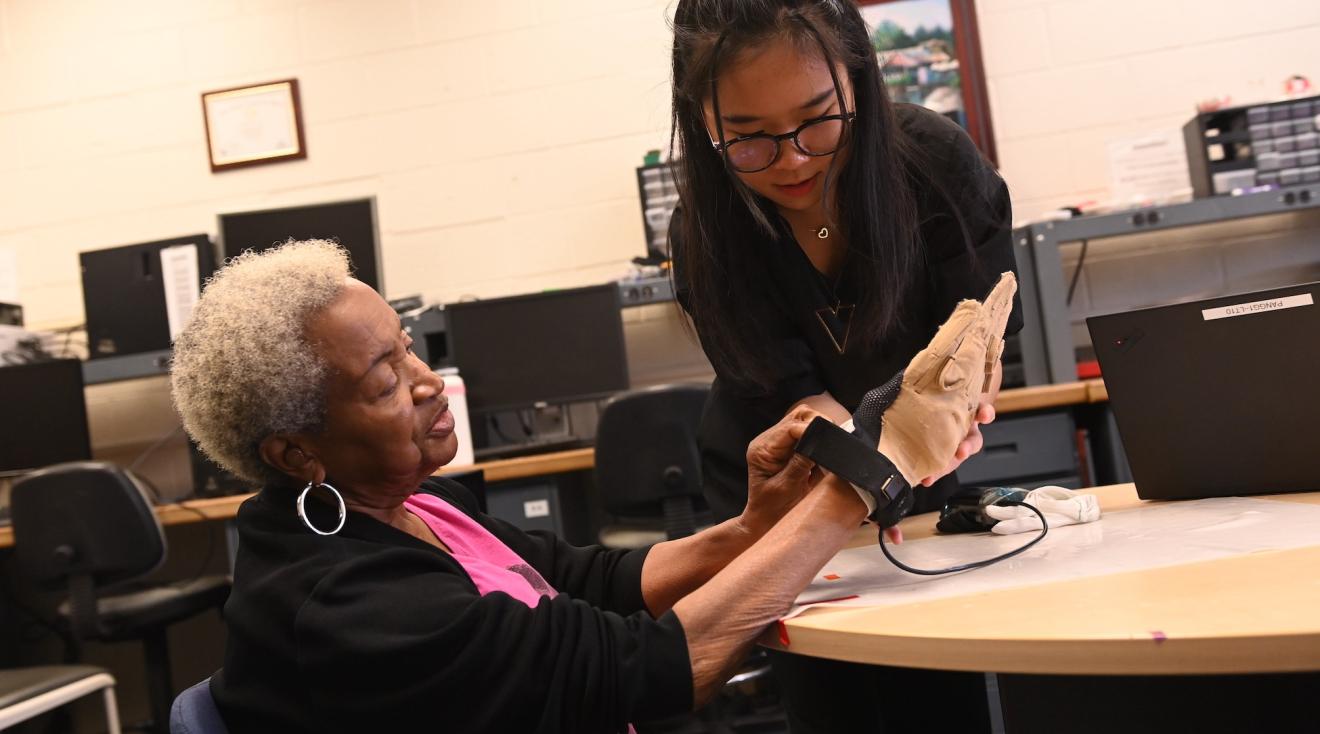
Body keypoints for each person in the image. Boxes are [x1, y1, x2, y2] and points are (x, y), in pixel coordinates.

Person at [169, 239, 938, 733]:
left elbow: (593, 583)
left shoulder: (418, 508)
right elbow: (645, 669)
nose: (428, 381)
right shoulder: (346, 603)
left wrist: (751, 528)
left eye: (407, 350)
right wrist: (853, 491)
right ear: (299, 453)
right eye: (385, 380)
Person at [666, 0, 1024, 730]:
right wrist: (893, 448)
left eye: (818, 118)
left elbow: (975, 345)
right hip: (777, 493)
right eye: (748, 138)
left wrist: (960, 408)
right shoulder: (706, 231)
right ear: (703, 124)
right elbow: (804, 416)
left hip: (914, 473)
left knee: (937, 687)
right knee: (835, 696)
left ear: (857, 78)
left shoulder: (936, 168)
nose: (793, 157)